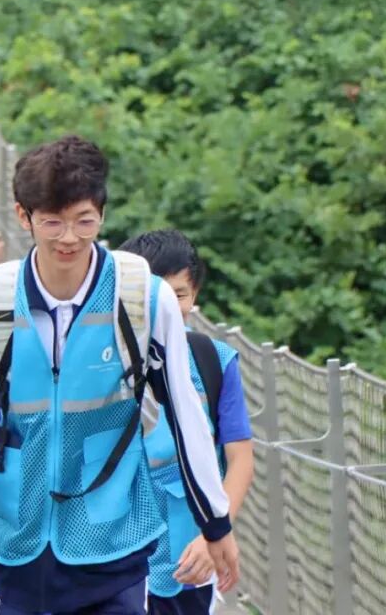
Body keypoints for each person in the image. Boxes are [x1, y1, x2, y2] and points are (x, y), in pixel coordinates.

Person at [0, 136, 240, 614]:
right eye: (52, 222)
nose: (69, 238)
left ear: (102, 214)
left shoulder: (142, 300)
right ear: (23, 216)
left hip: (115, 546)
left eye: (84, 221)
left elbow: (189, 420)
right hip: (18, 550)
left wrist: (215, 523)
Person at [118, 230, 254, 614]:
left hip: (187, 554)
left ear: (195, 295)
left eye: (177, 295)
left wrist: (214, 531)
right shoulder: (102, 359)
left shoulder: (213, 360)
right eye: (154, 295)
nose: (166, 306)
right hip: (113, 553)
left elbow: (241, 459)